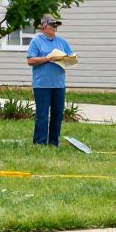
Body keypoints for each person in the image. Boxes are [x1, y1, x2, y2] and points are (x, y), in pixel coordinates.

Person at [26, 14, 74, 146]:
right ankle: (39, 142)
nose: (55, 28)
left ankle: (54, 142)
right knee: (42, 115)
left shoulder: (62, 42)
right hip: (42, 85)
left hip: (59, 84)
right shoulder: (37, 41)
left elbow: (70, 57)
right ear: (44, 25)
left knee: (57, 114)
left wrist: (68, 59)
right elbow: (30, 60)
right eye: (53, 25)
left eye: (56, 26)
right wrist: (48, 58)